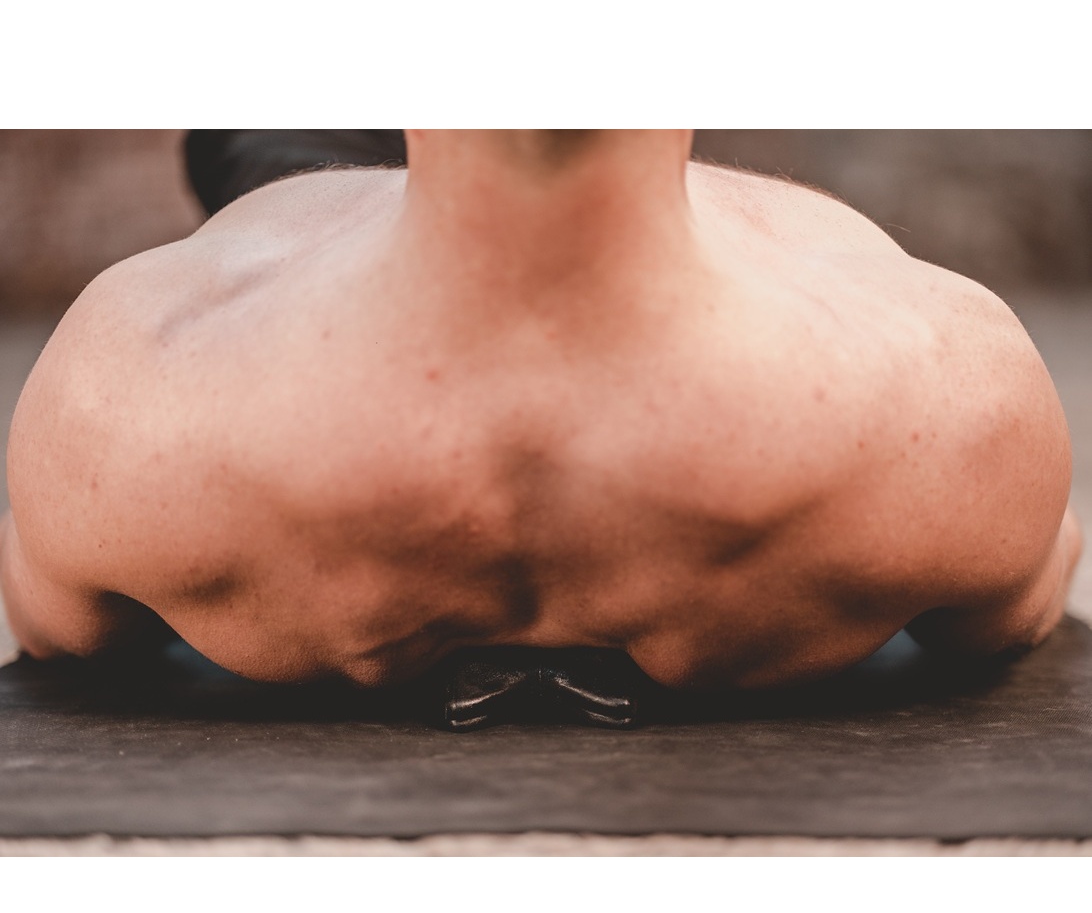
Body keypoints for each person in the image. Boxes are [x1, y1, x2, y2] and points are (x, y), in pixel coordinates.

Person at [0, 130, 1082, 693]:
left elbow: (62, 630)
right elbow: (1009, 619)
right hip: (787, 333)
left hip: (297, 310)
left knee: (268, 143)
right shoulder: (956, 392)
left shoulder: (127, 394)